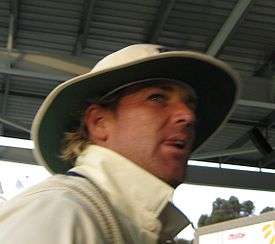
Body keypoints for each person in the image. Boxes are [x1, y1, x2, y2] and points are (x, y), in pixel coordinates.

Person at [0, 44, 239, 243]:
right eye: (157, 98)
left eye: (191, 104)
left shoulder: (122, 222)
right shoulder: (58, 214)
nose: (188, 116)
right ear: (99, 123)